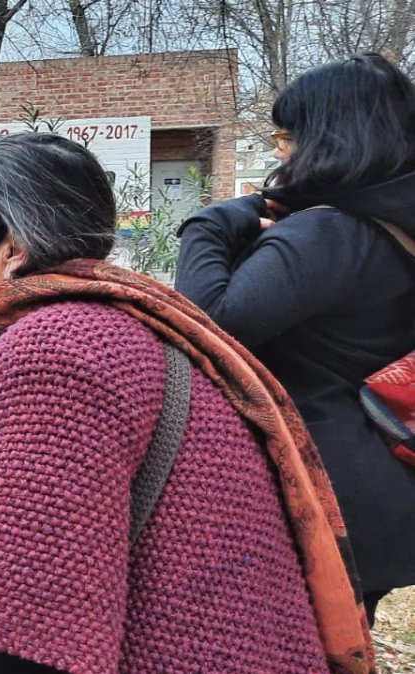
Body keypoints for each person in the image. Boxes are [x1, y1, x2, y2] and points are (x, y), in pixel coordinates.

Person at [0, 133, 372, 674]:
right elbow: (75, 527)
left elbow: (14, 626)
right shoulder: (118, 321)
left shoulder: (57, 351)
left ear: (13, 249)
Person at [176, 52, 415, 626]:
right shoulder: (394, 227)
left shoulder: (330, 234)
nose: (281, 151)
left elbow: (209, 324)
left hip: (315, 502)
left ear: (329, 135)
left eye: (288, 135)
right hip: (378, 486)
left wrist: (211, 223)